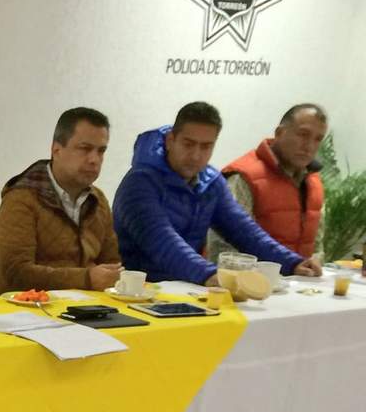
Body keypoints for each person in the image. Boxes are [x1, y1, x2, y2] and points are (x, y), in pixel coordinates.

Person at [113, 101, 322, 286]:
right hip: (135, 293)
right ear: (170, 140)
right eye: (188, 144)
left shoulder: (211, 182)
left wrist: (293, 263)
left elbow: (245, 232)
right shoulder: (139, 182)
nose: (196, 155)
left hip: (186, 290)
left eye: (206, 146)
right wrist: (209, 274)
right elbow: (162, 242)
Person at [0, 107, 121, 294]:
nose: (94, 159)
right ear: (56, 150)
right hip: (27, 307)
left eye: (101, 151)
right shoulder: (21, 198)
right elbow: (17, 273)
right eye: (85, 149)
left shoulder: (98, 200)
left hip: (90, 305)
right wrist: (86, 279)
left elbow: (111, 264)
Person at [207, 103, 328, 260]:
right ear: (279, 133)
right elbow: (223, 249)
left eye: (318, 139)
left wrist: (313, 265)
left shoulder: (314, 183)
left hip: (300, 275)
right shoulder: (244, 176)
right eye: (303, 134)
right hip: (251, 275)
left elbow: (316, 247)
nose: (309, 146)